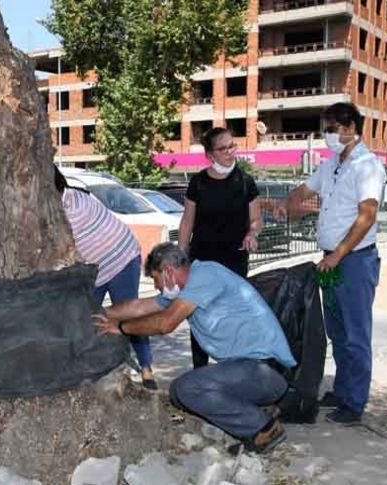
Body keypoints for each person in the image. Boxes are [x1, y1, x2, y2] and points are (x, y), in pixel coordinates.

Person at [94, 243, 295, 453]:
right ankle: (258, 410)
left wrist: (121, 328)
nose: (156, 286)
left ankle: (263, 428)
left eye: (155, 279)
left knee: (188, 388)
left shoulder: (204, 275)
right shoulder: (184, 291)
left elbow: (165, 323)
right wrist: (99, 312)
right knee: (179, 393)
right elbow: (139, 307)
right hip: (250, 371)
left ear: (169, 272)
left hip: (265, 370)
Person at [277, 102, 386, 425]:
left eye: (332, 129)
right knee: (337, 330)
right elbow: (304, 190)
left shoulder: (368, 166)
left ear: (351, 128)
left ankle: (354, 403)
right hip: (331, 261)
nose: (327, 136)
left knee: (355, 333)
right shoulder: (331, 165)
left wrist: (338, 254)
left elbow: (367, 217)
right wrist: (287, 204)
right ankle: (341, 390)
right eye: (325, 129)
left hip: (353, 261)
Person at [55, 167, 157, 389]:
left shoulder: (72, 207)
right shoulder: (70, 199)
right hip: (96, 271)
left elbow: (64, 247)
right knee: (89, 318)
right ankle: (93, 368)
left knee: (129, 314)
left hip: (122, 258)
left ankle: (147, 370)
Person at [178, 126, 263, 369]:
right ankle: (200, 371)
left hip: (234, 263)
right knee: (201, 315)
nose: (230, 152)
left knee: (232, 318)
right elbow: (187, 222)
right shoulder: (198, 183)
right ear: (210, 154)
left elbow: (256, 220)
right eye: (223, 148)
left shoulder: (245, 182)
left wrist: (252, 233)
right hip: (202, 261)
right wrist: (181, 256)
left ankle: (232, 371)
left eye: (232, 146)